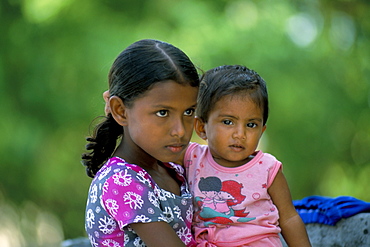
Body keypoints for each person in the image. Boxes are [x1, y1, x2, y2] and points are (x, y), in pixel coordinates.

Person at [82, 39, 200, 247]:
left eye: (188, 111)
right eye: (163, 113)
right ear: (120, 110)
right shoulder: (120, 181)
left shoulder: (173, 168)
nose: (180, 130)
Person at [183, 65, 311, 246]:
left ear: (261, 130)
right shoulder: (192, 157)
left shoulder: (267, 168)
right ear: (202, 127)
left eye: (251, 125)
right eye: (228, 122)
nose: (240, 134)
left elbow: (289, 218)